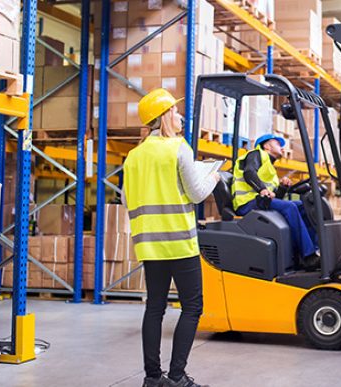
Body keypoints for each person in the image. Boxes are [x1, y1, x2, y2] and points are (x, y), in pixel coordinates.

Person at [122, 89, 219, 387]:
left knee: (155, 307)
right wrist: (214, 178)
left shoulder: (133, 157)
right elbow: (196, 193)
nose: (179, 116)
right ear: (164, 116)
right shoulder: (178, 148)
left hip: (149, 245)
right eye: (174, 112)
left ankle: (153, 378)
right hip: (179, 243)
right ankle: (177, 376)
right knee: (192, 307)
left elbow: (127, 199)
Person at [232, 134, 320, 269]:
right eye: (278, 143)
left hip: (259, 202)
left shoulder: (269, 168)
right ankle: (308, 256)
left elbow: (276, 198)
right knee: (290, 207)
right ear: (266, 146)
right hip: (246, 203)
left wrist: (283, 187)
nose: (282, 147)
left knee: (304, 206)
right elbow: (249, 172)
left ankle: (314, 249)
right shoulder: (255, 154)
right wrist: (262, 189)